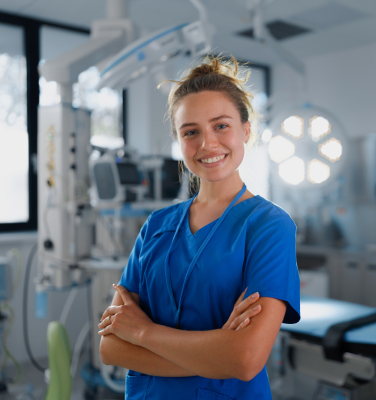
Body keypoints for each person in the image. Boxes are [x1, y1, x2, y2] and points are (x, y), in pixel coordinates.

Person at [97, 56, 301, 399]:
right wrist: (217, 350)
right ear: (179, 140)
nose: (207, 143)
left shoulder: (269, 226)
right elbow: (112, 348)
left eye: (221, 125)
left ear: (246, 130)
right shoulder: (157, 226)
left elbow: (247, 358)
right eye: (191, 132)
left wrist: (144, 334)